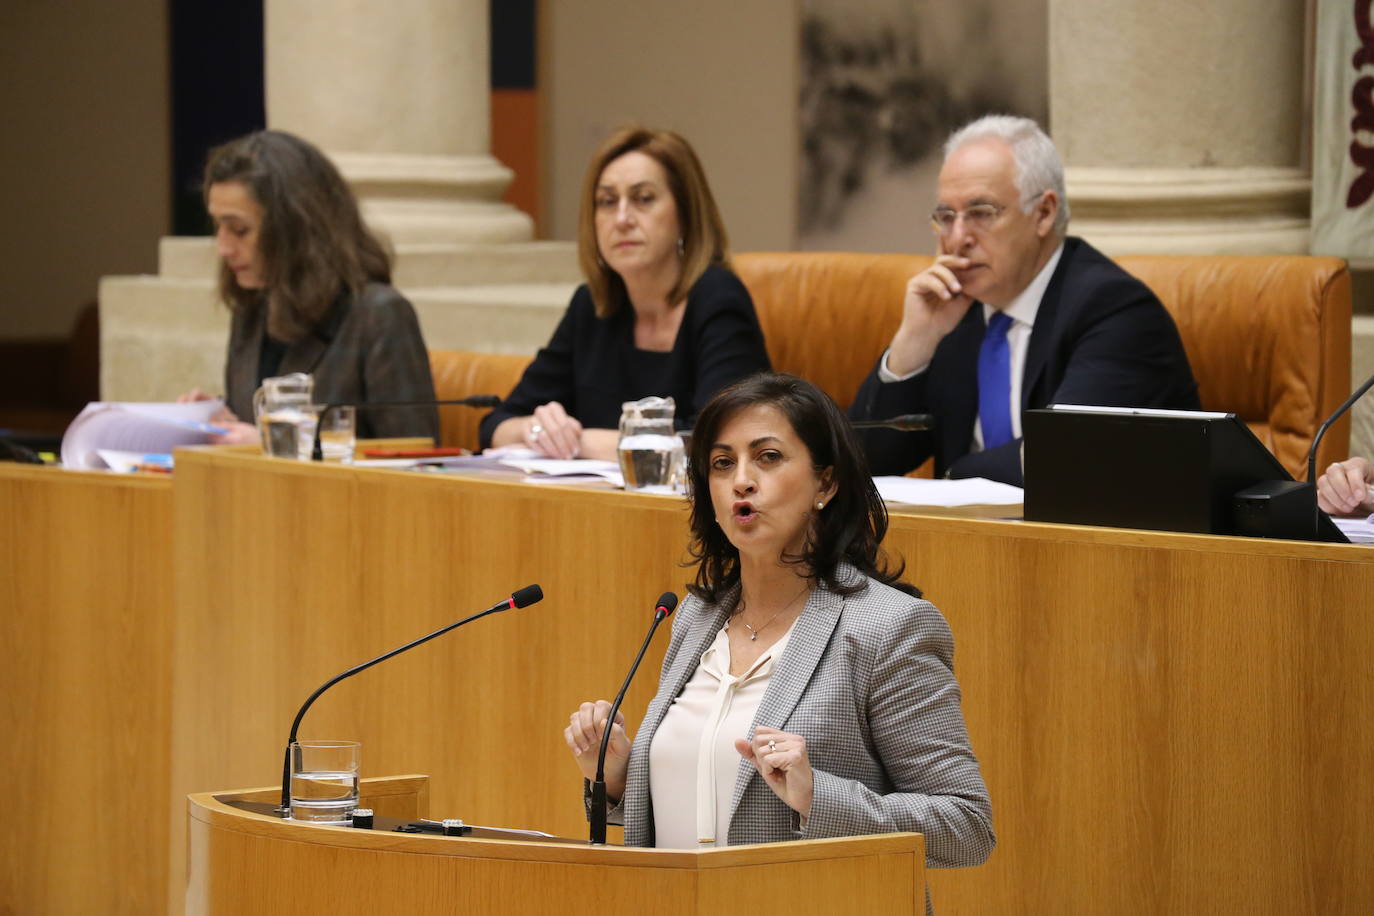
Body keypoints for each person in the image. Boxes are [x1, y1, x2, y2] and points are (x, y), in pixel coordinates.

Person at [563, 373, 994, 877]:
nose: (741, 480)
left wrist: (818, 796)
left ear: (826, 484)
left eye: (767, 457)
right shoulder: (696, 619)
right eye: (722, 464)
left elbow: (965, 826)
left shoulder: (889, 628)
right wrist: (616, 778)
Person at [849, 115, 1199, 486]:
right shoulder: (954, 313)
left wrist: (954, 476)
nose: (958, 237)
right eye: (947, 217)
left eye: (981, 213)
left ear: (1044, 214)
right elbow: (864, 461)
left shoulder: (1114, 310)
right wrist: (914, 342)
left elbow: (1064, 458)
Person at [479, 127, 770, 460]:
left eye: (643, 199)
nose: (621, 219)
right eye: (606, 202)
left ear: (685, 215)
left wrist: (576, 441)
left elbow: (718, 444)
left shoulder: (717, 299)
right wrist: (538, 430)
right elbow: (495, 426)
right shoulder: (592, 306)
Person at [180, 130, 438, 443]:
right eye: (218, 226)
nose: (223, 248)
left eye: (239, 230)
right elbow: (260, 422)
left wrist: (269, 444)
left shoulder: (379, 315)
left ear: (296, 228)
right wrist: (219, 417)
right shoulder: (252, 306)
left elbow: (417, 456)